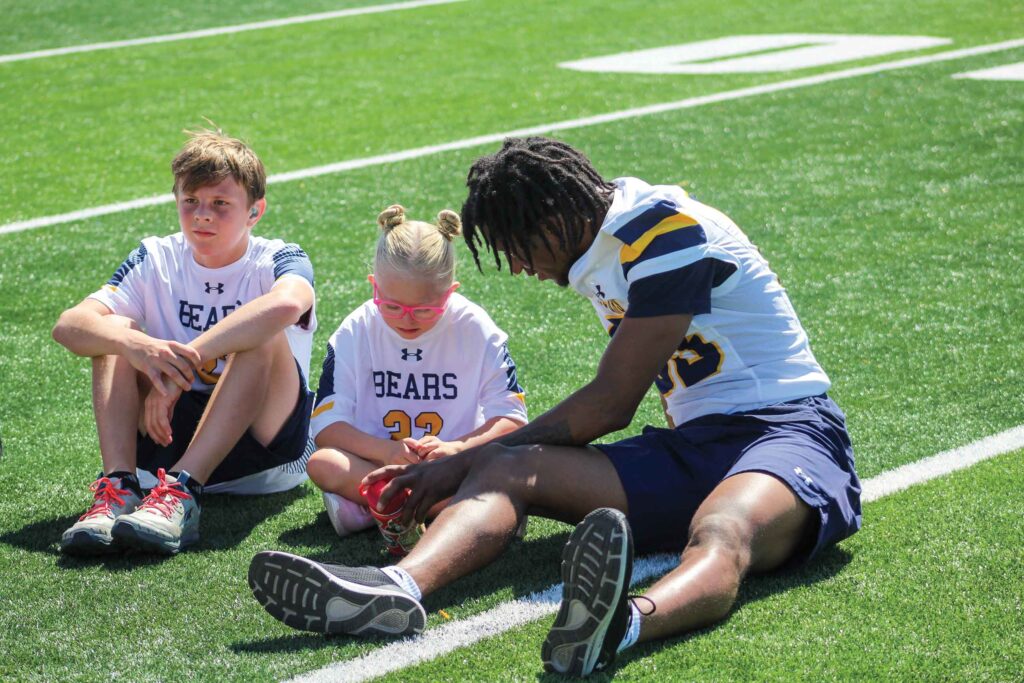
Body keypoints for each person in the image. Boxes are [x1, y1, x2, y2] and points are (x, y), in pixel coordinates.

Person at [248, 137, 861, 675]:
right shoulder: (606, 232)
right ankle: (397, 588)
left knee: (723, 529)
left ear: (552, 218)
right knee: (506, 467)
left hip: (786, 433)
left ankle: (620, 626)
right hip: (691, 447)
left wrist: (460, 458)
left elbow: (611, 403)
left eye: (516, 244)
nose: (518, 265)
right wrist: (475, 459)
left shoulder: (663, 230)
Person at [53, 129, 317, 556]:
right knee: (113, 331)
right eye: (190, 201)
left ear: (255, 211)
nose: (202, 215)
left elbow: (288, 305)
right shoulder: (156, 256)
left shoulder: (278, 257)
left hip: (263, 456)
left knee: (264, 337)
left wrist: (185, 364)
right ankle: (118, 489)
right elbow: (69, 325)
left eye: (220, 204)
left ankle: (184, 489)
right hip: (164, 437)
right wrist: (137, 347)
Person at [303, 204, 527, 542]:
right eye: (391, 306)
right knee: (324, 463)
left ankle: (376, 509)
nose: (406, 319)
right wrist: (386, 451)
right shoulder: (357, 329)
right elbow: (325, 427)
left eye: (424, 310)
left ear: (451, 292)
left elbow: (512, 419)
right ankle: (432, 512)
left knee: (508, 471)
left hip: (452, 469)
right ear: (373, 285)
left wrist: (455, 449)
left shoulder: (476, 328)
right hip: (378, 465)